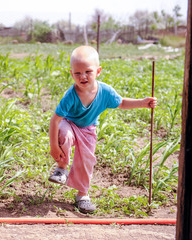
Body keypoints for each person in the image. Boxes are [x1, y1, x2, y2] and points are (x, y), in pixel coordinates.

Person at [48, 46, 157, 214]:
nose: (82, 76)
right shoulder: (70, 95)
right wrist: (54, 146)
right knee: (65, 134)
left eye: (88, 72)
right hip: (69, 124)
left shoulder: (105, 92)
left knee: (87, 161)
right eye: (77, 73)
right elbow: (55, 120)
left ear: (98, 71)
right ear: (72, 74)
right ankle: (62, 168)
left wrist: (143, 102)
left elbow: (121, 103)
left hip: (88, 130)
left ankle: (82, 195)